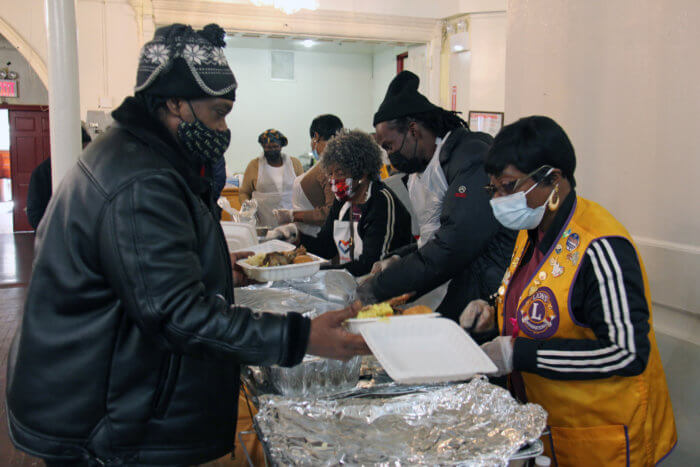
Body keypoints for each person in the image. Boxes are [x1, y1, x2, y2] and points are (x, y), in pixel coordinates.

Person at [6, 23, 368, 466]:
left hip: (106, 396)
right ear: (175, 103)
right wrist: (301, 337)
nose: (224, 127)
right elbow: (177, 315)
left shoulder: (136, 155)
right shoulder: (142, 180)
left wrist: (216, 268)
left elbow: (147, 277)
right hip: (106, 418)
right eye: (218, 113)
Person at [468, 116, 676, 465]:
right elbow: (544, 304)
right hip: (550, 427)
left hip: (600, 436)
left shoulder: (601, 246)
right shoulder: (532, 229)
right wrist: (494, 314)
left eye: (508, 186)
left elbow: (626, 353)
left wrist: (518, 354)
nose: (499, 200)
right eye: (494, 189)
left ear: (553, 179)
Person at [357, 70, 516, 322]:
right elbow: (434, 236)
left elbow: (455, 242)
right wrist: (398, 258)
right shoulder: (422, 170)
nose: (388, 156)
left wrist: (382, 285)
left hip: (485, 289)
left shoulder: (472, 158)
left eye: (389, 145)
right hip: (452, 276)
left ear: (413, 130)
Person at [267, 130, 413, 276]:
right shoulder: (342, 203)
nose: (333, 180)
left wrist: (318, 272)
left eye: (340, 173)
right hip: (350, 281)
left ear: (362, 171)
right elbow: (326, 247)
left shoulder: (381, 203)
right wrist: (296, 237)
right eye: (330, 174)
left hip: (381, 285)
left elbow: (371, 266)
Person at [273, 114, 343, 237]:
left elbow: (331, 212)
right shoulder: (328, 163)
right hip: (309, 237)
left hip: (320, 241)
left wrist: (293, 215)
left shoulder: (330, 167)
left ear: (315, 136)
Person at [26, 126, 92, 229]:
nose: (86, 154)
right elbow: (35, 214)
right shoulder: (42, 173)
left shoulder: (87, 169)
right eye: (83, 149)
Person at [239, 128, 303, 226]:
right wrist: (248, 210)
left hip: (291, 222)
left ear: (281, 146)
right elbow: (244, 192)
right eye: (268, 147)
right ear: (263, 147)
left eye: (275, 146)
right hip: (263, 222)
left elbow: (302, 190)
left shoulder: (295, 164)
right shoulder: (254, 166)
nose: (272, 150)